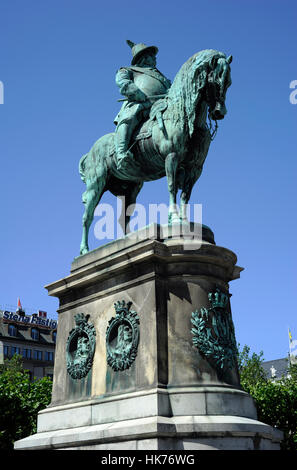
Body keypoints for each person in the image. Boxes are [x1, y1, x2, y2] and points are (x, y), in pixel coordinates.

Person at [114, 40, 171, 170]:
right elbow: (122, 80)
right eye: (152, 55)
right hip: (140, 103)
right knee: (129, 118)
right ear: (143, 58)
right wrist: (136, 92)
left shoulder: (162, 77)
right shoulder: (129, 70)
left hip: (160, 105)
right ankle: (121, 154)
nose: (155, 58)